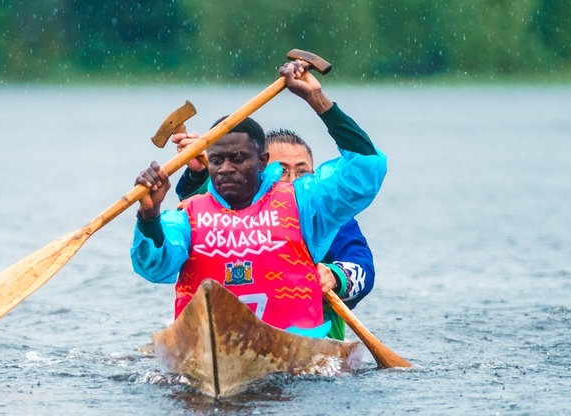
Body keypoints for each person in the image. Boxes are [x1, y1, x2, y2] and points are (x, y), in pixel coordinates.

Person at [131, 60, 386, 338]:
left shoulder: (309, 206)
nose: (227, 168)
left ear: (262, 162)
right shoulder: (187, 215)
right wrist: (149, 214)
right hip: (209, 345)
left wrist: (317, 100)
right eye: (217, 160)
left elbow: (365, 170)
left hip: (298, 343)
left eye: (238, 159)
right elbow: (154, 266)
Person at [172, 129, 375, 341]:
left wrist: (336, 276)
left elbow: (363, 268)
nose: (293, 180)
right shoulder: (229, 209)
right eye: (282, 170)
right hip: (226, 337)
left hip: (309, 342)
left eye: (302, 172)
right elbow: (204, 212)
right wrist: (198, 174)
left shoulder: (330, 220)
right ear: (258, 169)